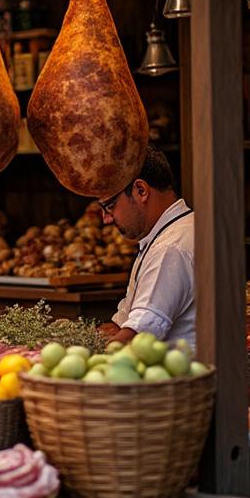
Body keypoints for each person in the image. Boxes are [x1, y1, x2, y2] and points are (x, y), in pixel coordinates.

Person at [99, 148, 195, 348]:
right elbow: (120, 325)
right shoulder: (167, 235)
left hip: (177, 377)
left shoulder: (170, 247)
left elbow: (137, 334)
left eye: (109, 206)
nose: (106, 219)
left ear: (141, 191)